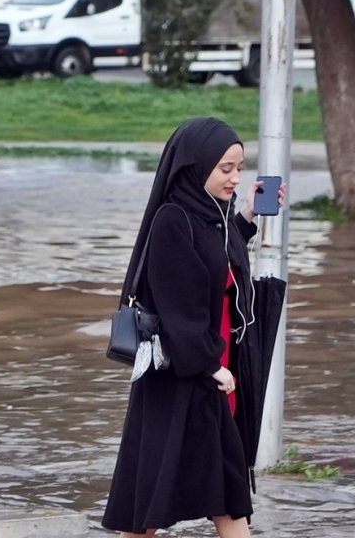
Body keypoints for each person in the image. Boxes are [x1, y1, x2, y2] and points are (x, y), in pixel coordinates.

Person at [102, 117, 286, 538]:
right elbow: (177, 307)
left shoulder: (211, 218)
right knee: (150, 506)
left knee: (223, 496)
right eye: (226, 168)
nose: (236, 177)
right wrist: (210, 366)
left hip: (213, 377)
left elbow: (218, 258)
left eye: (240, 168)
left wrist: (247, 215)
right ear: (196, 166)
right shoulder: (173, 220)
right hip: (184, 381)